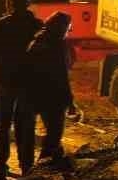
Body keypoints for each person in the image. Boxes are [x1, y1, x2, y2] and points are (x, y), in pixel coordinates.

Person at [0, 0, 41, 180]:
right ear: (28, 3)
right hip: (28, 84)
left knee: (3, 125)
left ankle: (1, 169)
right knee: (26, 126)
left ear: (10, 3)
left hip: (6, 83)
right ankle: (27, 168)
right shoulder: (37, 26)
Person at [20, 11, 78, 168]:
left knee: (37, 131)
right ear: (62, 27)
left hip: (34, 93)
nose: (68, 30)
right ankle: (43, 163)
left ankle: (34, 164)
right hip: (53, 95)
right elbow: (61, 75)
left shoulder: (37, 40)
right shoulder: (57, 44)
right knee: (55, 132)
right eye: (68, 27)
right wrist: (70, 101)